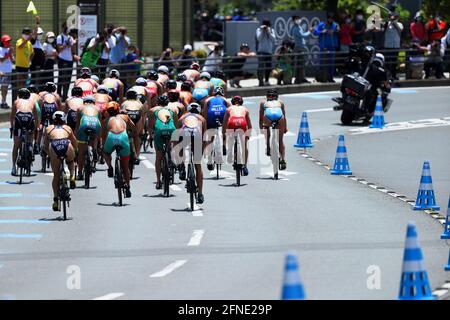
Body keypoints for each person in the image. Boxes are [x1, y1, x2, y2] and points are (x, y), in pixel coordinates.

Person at [44, 111, 77, 211]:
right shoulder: (67, 128)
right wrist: (75, 151)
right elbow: (74, 142)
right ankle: (72, 176)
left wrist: (50, 156)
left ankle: (55, 200)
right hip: (66, 144)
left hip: (54, 145)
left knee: (56, 176)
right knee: (71, 161)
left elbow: (45, 146)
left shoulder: (48, 128)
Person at [102, 102, 137, 198]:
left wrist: (103, 145)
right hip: (123, 137)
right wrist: (133, 134)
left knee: (106, 152)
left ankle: (110, 167)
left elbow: (104, 136)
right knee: (125, 167)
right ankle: (128, 187)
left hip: (111, 137)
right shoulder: (125, 117)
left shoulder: (106, 121)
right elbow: (133, 127)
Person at [149, 95, 179, 190]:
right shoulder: (173, 110)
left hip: (159, 131)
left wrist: (150, 135)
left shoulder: (153, 110)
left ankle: (158, 181)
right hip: (171, 130)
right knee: (173, 145)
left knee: (158, 156)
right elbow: (176, 124)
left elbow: (151, 125)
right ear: (167, 103)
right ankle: (172, 158)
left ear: (158, 103)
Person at [177, 102, 205, 203]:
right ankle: (200, 193)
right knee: (198, 165)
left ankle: (181, 167)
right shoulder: (202, 119)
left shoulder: (183, 117)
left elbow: (177, 133)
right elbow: (205, 136)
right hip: (197, 136)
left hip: (185, 135)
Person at [10, 88, 38, 176]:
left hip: (19, 118)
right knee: (30, 136)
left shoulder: (16, 101)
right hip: (29, 118)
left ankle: (14, 167)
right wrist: (36, 128)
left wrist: (11, 127)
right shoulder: (32, 102)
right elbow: (36, 117)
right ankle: (30, 147)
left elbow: (12, 116)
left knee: (16, 146)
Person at [223, 95, 252, 176]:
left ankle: (230, 153)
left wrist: (224, 135)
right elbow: (249, 125)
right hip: (242, 122)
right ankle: (245, 166)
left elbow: (224, 123)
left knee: (230, 139)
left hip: (232, 122)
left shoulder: (229, 108)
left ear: (232, 102)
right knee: (244, 145)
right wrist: (247, 136)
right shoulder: (245, 109)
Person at [202, 86, 230, 170]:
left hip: (211, 115)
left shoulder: (208, 99)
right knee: (226, 130)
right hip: (222, 115)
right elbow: (230, 110)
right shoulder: (225, 99)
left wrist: (205, 125)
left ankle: (210, 159)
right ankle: (224, 145)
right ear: (222, 93)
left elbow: (205, 113)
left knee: (210, 136)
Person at [259, 89, 287, 170]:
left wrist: (262, 127)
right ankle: (283, 159)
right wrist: (285, 127)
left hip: (268, 118)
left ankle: (268, 146)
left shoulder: (263, 102)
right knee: (280, 140)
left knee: (266, 128)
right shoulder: (280, 102)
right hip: (280, 118)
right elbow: (284, 116)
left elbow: (261, 117)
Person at [75, 96, 101, 180]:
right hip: (95, 124)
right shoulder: (97, 108)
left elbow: (78, 124)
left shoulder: (80, 108)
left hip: (84, 124)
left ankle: (79, 173)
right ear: (93, 103)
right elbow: (100, 124)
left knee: (81, 152)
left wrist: (76, 137)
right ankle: (94, 150)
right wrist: (99, 139)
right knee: (95, 138)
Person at [314, 13, 339, 82]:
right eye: (329, 18)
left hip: (332, 46)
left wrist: (334, 32)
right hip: (324, 46)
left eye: (332, 19)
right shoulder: (322, 24)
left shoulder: (335, 25)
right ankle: (321, 78)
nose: (331, 20)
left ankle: (330, 78)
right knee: (322, 62)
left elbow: (339, 31)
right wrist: (322, 31)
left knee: (331, 63)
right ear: (327, 19)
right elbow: (315, 32)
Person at [122, 89, 145, 162]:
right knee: (137, 136)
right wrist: (141, 130)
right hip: (137, 114)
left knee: (124, 135)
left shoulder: (124, 103)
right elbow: (142, 117)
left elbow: (122, 115)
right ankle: (137, 155)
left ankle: (123, 152)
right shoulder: (140, 103)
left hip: (128, 114)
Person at [290, 15, 313, 84]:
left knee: (302, 64)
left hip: (301, 47)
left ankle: (302, 78)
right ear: (294, 20)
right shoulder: (295, 28)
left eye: (299, 18)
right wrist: (309, 31)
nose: (298, 20)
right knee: (299, 64)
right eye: (296, 19)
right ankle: (298, 79)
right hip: (299, 48)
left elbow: (302, 36)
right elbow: (303, 35)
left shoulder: (299, 27)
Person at [56, 22, 75, 101]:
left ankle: (65, 95)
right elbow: (59, 49)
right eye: (66, 27)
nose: (68, 29)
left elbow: (72, 49)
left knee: (68, 78)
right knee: (61, 77)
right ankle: (59, 95)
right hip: (62, 59)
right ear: (63, 28)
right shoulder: (60, 37)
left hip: (70, 60)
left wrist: (72, 45)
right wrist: (65, 44)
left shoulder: (70, 37)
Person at [256, 19, 276, 86]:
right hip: (261, 51)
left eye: (267, 25)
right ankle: (260, 81)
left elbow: (273, 39)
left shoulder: (271, 30)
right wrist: (263, 31)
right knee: (260, 67)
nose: (266, 27)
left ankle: (267, 80)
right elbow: (259, 39)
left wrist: (268, 32)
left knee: (268, 67)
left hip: (268, 52)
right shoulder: (259, 30)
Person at [383, 12, 403, 80]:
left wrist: (393, 21)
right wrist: (389, 20)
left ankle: (394, 75)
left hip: (396, 46)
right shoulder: (387, 24)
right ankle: (387, 76)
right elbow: (384, 29)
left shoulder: (400, 24)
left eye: (396, 17)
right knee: (388, 62)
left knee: (394, 62)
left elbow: (399, 30)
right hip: (388, 45)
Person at [15, 28, 35, 92]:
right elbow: (20, 47)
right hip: (19, 65)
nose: (26, 35)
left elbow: (32, 53)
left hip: (26, 66)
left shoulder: (29, 43)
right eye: (25, 33)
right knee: (19, 82)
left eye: (28, 34)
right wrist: (26, 40)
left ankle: (23, 95)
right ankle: (19, 96)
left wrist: (30, 60)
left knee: (24, 83)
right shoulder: (19, 41)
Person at [30, 17, 45, 89]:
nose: (40, 35)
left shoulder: (40, 43)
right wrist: (37, 24)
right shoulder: (33, 42)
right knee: (33, 81)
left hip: (40, 68)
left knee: (40, 82)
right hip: (34, 67)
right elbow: (34, 34)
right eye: (39, 34)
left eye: (41, 34)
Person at [0, 34, 14, 109]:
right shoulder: (1, 49)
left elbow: (12, 60)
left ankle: (4, 101)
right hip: (3, 72)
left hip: (9, 71)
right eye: (7, 41)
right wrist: (9, 53)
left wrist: (11, 54)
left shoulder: (9, 49)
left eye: (9, 41)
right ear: (3, 42)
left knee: (6, 87)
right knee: (4, 87)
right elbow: (1, 60)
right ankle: (3, 102)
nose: (9, 42)